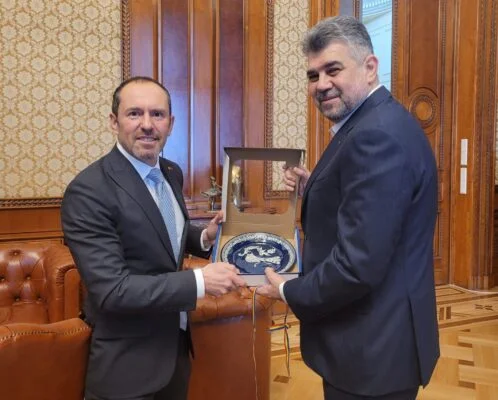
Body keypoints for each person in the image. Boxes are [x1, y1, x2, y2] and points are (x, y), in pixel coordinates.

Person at [257, 16, 439, 399]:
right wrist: (318, 187)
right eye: (313, 75)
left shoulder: (376, 135)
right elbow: (371, 208)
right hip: (372, 341)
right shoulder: (373, 122)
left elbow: (358, 263)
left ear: (370, 67)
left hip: (373, 350)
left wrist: (290, 290)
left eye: (333, 69)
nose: (321, 84)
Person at [61, 76, 246, 400]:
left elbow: (160, 232)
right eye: (134, 113)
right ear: (114, 121)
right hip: (127, 367)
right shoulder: (89, 191)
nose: (147, 124)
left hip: (175, 352)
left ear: (170, 124)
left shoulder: (170, 172)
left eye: (157, 114)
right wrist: (200, 281)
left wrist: (204, 236)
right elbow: (112, 291)